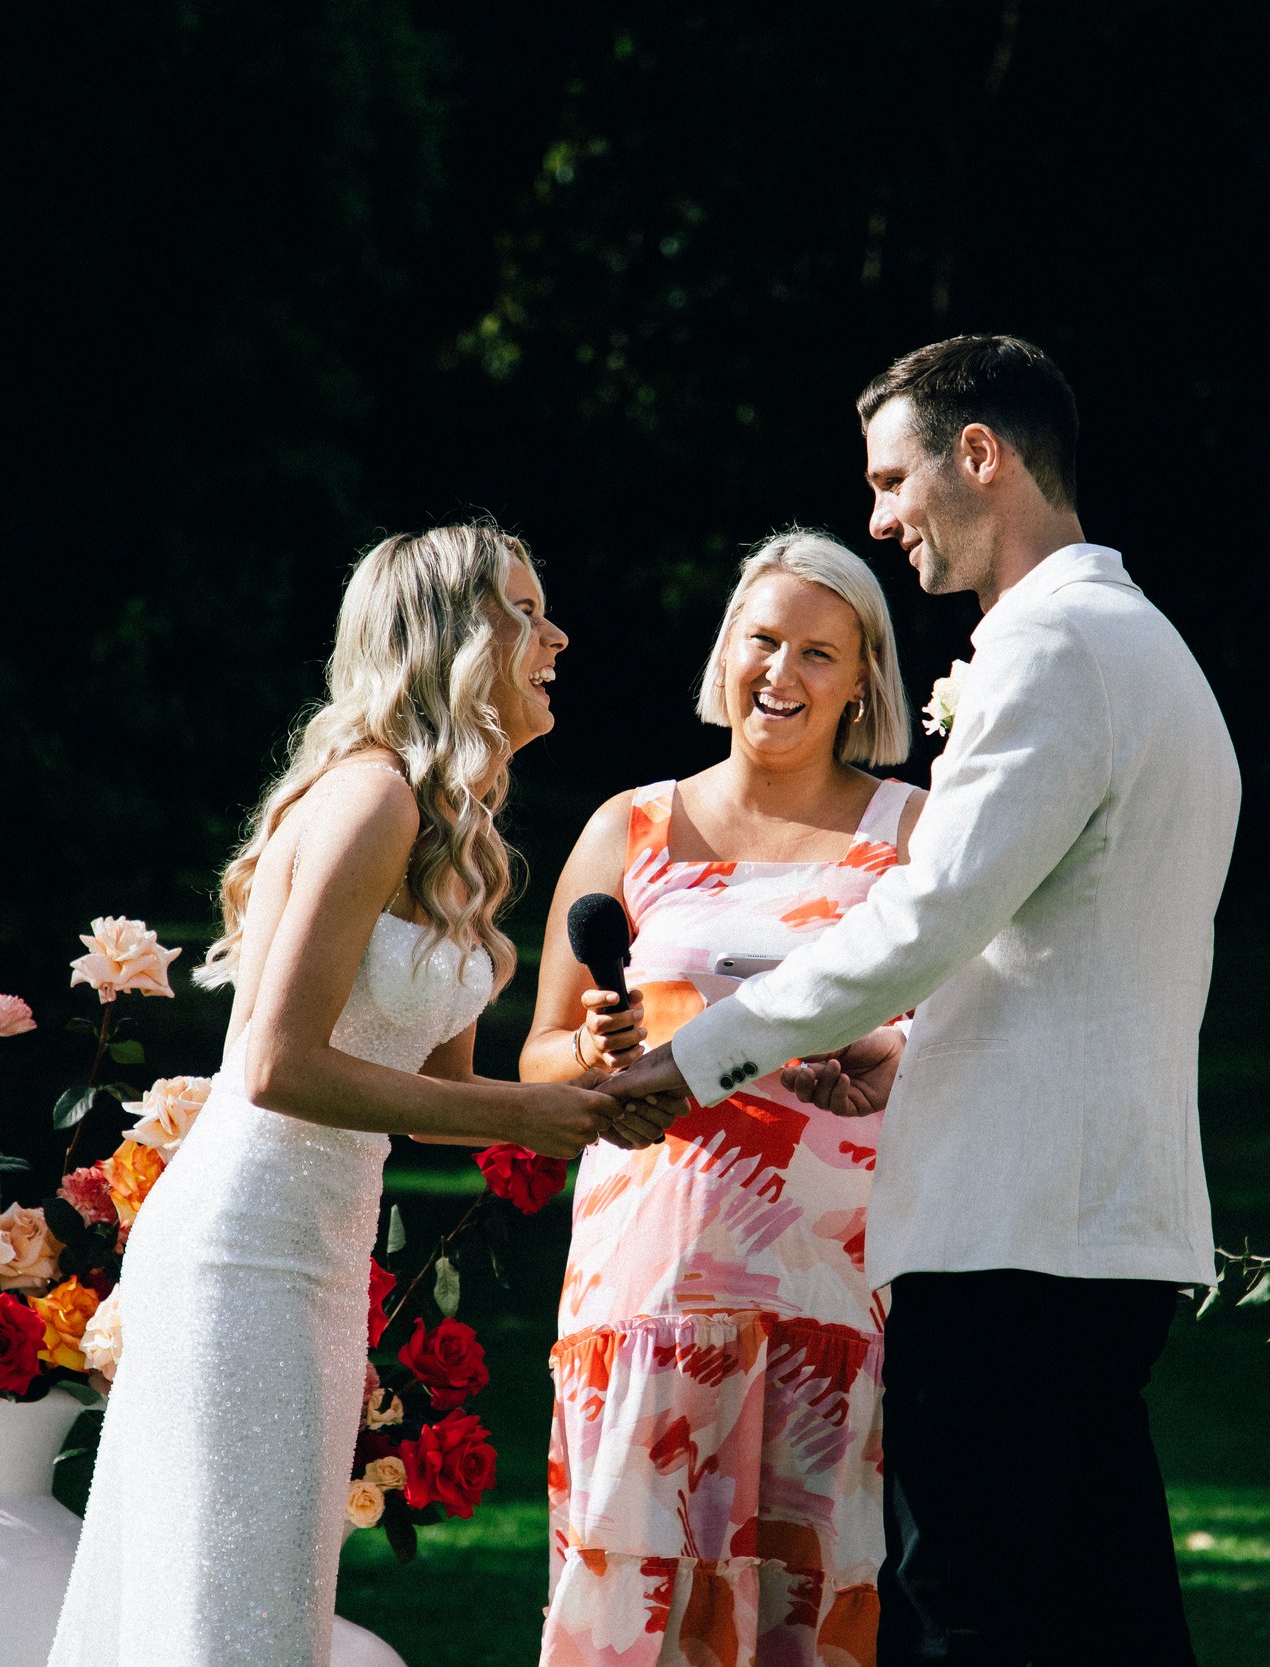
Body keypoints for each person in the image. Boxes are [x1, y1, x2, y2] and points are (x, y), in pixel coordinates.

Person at [604, 337, 1241, 1666]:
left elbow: (930, 910)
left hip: (1016, 1222)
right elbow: (1064, 935)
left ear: (980, 455)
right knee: (1105, 1616)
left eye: (894, 478)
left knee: (966, 1608)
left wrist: (702, 1050)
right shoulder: (1143, 642)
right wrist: (901, 1043)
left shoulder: (1053, 645)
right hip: (1094, 1213)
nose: (881, 514)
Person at [47, 524, 663, 1667]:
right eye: (526, 612)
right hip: (242, 1247)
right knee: (226, 1603)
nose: (557, 637)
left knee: (272, 1593)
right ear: (449, 638)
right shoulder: (369, 797)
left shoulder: (459, 839)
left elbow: (432, 1097)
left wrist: (571, 1071)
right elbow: (278, 1065)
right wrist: (522, 1118)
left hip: (319, 1258)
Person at [522, 529, 924, 1667]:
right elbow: (541, 1058)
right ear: (725, 650)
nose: (780, 673)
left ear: (862, 682)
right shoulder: (630, 825)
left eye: (817, 652)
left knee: (808, 1605)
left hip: (831, 1291)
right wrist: (598, 1047)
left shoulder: (913, 834)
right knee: (633, 1606)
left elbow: (960, 1037)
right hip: (648, 1279)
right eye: (762, 639)